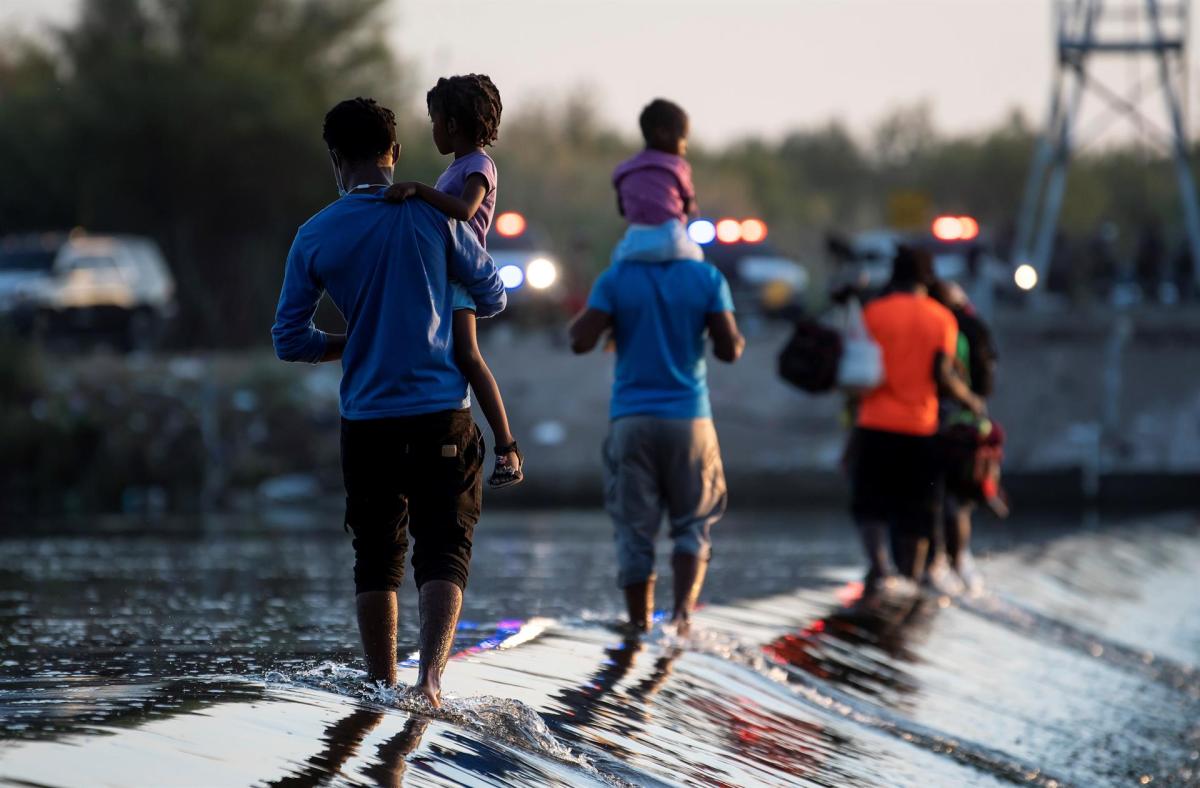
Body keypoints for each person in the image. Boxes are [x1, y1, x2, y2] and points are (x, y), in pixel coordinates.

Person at [272, 97, 507, 707]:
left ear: (335, 159)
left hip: (368, 417)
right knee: (445, 542)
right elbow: (494, 293)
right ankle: (429, 683)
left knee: (376, 553)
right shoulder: (437, 218)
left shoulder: (315, 233)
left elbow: (289, 339)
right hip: (441, 411)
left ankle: (381, 687)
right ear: (395, 154)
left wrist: (355, 341)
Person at [569, 113, 743, 633]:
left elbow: (578, 340)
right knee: (693, 524)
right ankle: (684, 621)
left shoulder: (616, 277)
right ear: (681, 210)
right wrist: (718, 331)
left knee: (634, 530)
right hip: (690, 419)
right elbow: (731, 350)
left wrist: (609, 319)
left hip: (632, 420)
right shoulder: (705, 277)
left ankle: (640, 627)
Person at [384, 74, 521, 487]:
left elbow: (464, 210)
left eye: (435, 120)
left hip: (462, 276)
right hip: (444, 275)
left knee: (468, 356)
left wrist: (418, 190)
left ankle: (507, 448)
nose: (433, 130)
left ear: (454, 125)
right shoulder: (458, 166)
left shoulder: (479, 166)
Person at [851, 246, 984, 593]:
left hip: (874, 421)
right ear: (926, 277)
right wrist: (970, 398)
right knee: (919, 506)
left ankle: (880, 569)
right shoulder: (941, 318)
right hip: (920, 426)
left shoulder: (874, 312)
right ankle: (911, 576)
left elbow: (858, 368)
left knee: (871, 503)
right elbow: (943, 374)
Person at [929, 280, 1002, 594]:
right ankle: (959, 563)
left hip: (932, 424)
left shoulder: (938, 327)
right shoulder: (974, 327)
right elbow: (987, 379)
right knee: (958, 502)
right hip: (967, 427)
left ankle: (937, 564)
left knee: (936, 497)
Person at [610, 98, 701, 263]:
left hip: (635, 239)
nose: (685, 145)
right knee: (696, 254)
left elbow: (622, 209)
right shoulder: (676, 167)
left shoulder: (625, 170)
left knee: (617, 260)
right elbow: (688, 202)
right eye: (683, 137)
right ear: (663, 133)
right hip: (669, 237)